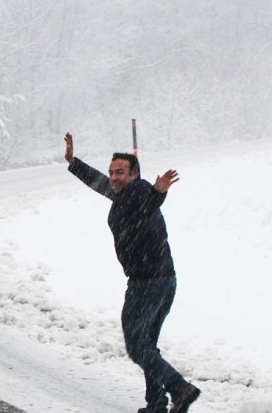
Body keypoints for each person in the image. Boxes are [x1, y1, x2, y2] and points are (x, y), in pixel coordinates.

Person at [63, 133, 200, 413]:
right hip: (163, 280)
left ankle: (179, 388)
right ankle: (156, 406)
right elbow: (100, 182)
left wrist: (158, 192)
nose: (113, 177)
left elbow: (150, 200)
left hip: (146, 284)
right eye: (112, 171)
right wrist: (73, 162)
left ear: (134, 174)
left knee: (137, 347)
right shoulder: (122, 192)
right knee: (147, 347)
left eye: (120, 172)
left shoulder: (137, 192)